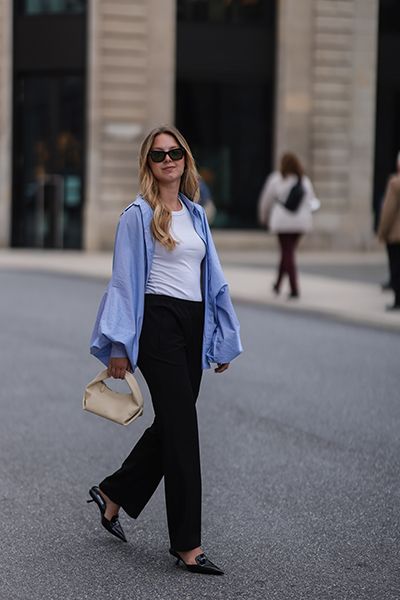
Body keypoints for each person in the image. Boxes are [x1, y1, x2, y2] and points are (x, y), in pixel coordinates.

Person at [88, 125, 243, 575]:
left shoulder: (196, 215)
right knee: (183, 429)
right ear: (149, 164)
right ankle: (187, 546)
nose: (168, 160)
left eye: (175, 152)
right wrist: (119, 344)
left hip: (193, 325)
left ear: (185, 159)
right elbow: (122, 283)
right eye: (159, 155)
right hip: (156, 325)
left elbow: (213, 280)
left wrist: (221, 338)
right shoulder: (136, 215)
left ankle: (113, 494)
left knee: (172, 424)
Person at [257, 152, 316, 299]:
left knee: (287, 252)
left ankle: (294, 288)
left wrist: (263, 217)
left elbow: (266, 200)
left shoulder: (276, 179)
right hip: (300, 223)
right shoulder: (304, 181)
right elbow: (312, 202)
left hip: (283, 222)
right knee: (287, 252)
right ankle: (277, 284)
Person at [378, 159, 400, 311]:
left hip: (396, 234)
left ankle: (398, 299)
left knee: (396, 267)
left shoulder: (395, 184)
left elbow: (388, 211)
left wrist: (382, 232)